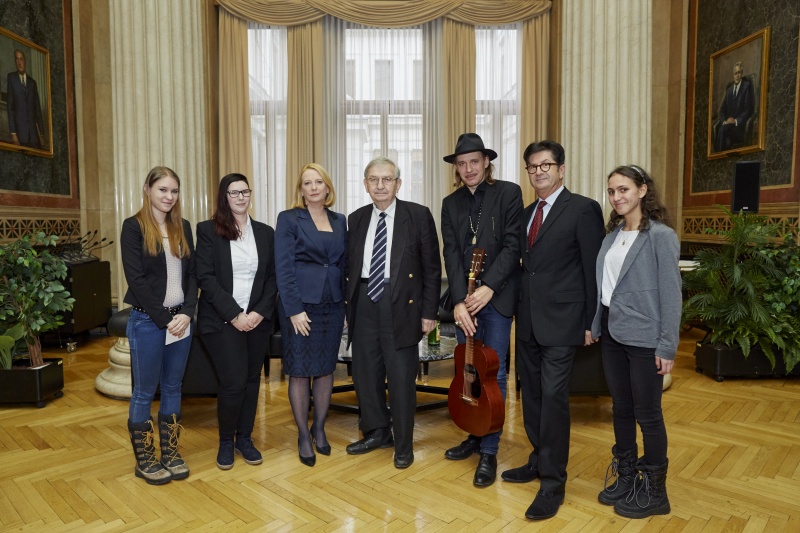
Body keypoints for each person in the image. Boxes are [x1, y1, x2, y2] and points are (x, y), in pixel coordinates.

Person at [507, 140, 604, 520]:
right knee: (531, 396)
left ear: (561, 169)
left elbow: (592, 268)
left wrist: (591, 322)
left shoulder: (582, 209)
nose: (539, 172)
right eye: (532, 167)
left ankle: (553, 482)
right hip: (528, 322)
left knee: (554, 397)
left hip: (564, 323)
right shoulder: (527, 213)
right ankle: (537, 458)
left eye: (546, 165)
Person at [591, 165, 680, 518]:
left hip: (646, 339)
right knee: (622, 409)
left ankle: (656, 492)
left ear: (642, 190)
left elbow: (672, 296)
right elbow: (604, 290)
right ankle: (628, 476)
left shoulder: (660, 236)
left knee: (648, 414)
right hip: (613, 335)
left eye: (624, 189)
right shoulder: (611, 236)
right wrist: (595, 325)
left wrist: (667, 346)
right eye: (612, 191)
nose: (617, 197)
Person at [344, 157, 441, 469]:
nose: (380, 185)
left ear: (398, 184)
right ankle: (376, 432)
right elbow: (350, 266)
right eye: (374, 179)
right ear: (365, 184)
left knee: (400, 378)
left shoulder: (417, 215)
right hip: (364, 303)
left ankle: (403, 443)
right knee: (365, 374)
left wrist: (429, 312)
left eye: (387, 179)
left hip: (402, 305)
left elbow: (431, 268)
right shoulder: (356, 218)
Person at [440, 133, 523, 487]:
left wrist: (488, 289)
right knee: (470, 368)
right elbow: (451, 253)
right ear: (456, 169)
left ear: (486, 162)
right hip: (465, 305)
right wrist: (460, 300)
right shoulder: (450, 203)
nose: (468, 168)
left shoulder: (508, 193)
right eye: (462, 163)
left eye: (474, 161)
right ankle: (474, 434)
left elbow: (512, 245)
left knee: (495, 371)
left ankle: (489, 449)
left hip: (497, 298)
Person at [120, 166, 196, 485]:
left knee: (174, 387)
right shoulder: (133, 227)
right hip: (149, 322)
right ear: (147, 189)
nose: (169, 196)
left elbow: (193, 275)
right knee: (144, 392)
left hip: (181, 321)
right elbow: (135, 280)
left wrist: (187, 313)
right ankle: (146, 459)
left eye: (174, 191)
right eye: (163, 189)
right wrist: (166, 320)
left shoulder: (184, 226)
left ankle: (170, 452)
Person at [195, 174, 277, 470]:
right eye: (234, 192)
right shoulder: (207, 231)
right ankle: (226, 442)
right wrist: (234, 315)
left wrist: (257, 313)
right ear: (224, 197)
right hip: (221, 321)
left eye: (245, 191)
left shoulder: (266, 233)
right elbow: (205, 277)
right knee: (232, 383)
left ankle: (245, 438)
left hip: (257, 320)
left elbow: (273, 278)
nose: (241, 197)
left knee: (252, 380)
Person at [275, 163, 347, 467]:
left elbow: (343, 265)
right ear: (301, 190)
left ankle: (319, 426)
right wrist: (294, 310)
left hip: (332, 304)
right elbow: (284, 268)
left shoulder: (340, 220)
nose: (314, 187)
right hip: (300, 307)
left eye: (319, 182)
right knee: (301, 370)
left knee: (326, 368)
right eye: (307, 183)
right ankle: (303, 435)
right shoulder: (289, 219)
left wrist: (346, 307)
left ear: (328, 187)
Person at [6, 49, 44, 149]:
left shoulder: (32, 83)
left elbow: (37, 110)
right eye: (17, 59)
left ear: (25, 61)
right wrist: (13, 134)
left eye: (21, 59)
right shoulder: (11, 78)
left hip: (34, 137)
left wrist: (42, 134)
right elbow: (10, 107)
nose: (19, 62)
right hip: (20, 135)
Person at [714, 61, 755, 152]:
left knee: (722, 131)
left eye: (739, 72)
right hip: (727, 127)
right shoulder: (729, 90)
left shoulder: (747, 87)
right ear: (733, 75)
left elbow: (748, 110)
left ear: (742, 73)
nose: (737, 75)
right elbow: (721, 110)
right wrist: (724, 121)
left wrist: (735, 121)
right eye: (735, 73)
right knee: (726, 140)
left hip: (739, 128)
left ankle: (717, 157)